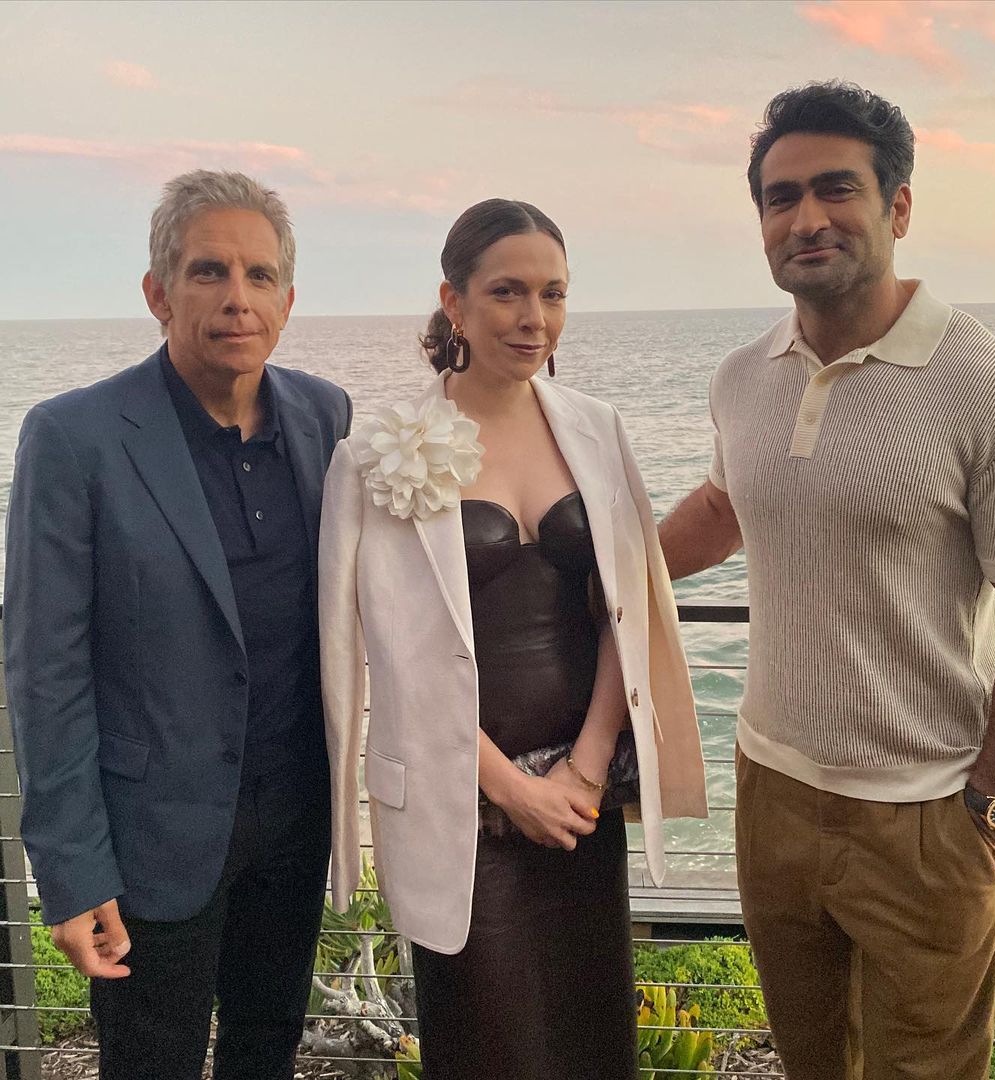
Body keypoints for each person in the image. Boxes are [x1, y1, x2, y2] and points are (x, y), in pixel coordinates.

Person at [659, 82, 995, 1080]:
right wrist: (588, 576)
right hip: (769, 789)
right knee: (811, 1059)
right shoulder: (743, 375)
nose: (806, 218)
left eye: (836, 189)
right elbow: (722, 507)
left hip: (927, 813)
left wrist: (991, 807)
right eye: (781, 197)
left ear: (899, 206)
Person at [319, 198, 708, 1079]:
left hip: (580, 801)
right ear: (453, 303)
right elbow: (393, 660)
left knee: (589, 1035)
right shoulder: (376, 453)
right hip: (464, 809)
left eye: (553, 293)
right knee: (486, 1045)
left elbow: (624, 608)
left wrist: (585, 767)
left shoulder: (597, 428)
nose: (535, 317)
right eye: (507, 292)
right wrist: (510, 790)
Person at [3, 170, 352, 1080]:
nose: (238, 298)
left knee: (266, 1050)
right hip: (150, 837)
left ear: (287, 301)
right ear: (158, 293)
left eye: (260, 275)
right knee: (150, 1062)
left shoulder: (326, 418)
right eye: (209, 272)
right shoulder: (74, 437)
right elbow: (44, 669)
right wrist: (72, 872)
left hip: (295, 821)